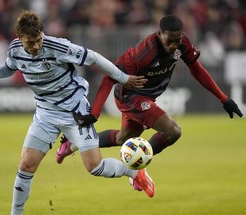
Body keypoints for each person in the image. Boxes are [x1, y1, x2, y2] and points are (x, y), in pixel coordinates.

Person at [0, 10, 154, 215]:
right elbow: (10, 67)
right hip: (45, 114)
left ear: (42, 34)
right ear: (20, 38)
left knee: (94, 167)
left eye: (37, 40)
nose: (34, 46)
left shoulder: (58, 47)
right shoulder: (15, 49)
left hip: (75, 111)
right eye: (29, 43)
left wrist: (123, 78)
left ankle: (134, 171)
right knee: (26, 165)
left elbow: (94, 57)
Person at [56, 15, 243, 167]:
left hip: (146, 97)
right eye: (170, 40)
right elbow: (108, 78)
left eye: (177, 40)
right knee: (173, 131)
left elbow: (197, 69)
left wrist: (224, 99)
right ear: (159, 34)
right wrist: (94, 114)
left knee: (124, 138)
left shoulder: (182, 42)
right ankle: (137, 167)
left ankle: (71, 144)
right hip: (130, 97)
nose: (174, 45)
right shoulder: (141, 55)